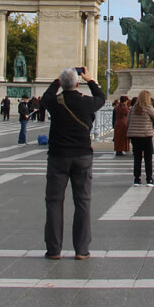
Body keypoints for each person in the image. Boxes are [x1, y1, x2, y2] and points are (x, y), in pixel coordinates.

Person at [42, 68, 106, 260]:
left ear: (62, 83)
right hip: (82, 156)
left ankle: (54, 250)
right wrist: (91, 79)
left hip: (58, 157)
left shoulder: (54, 102)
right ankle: (82, 249)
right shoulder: (86, 102)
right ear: (79, 84)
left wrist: (57, 82)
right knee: (83, 202)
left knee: (54, 202)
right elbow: (101, 97)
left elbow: (46, 96)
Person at [127, 90, 154, 186]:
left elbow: (128, 121)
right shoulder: (148, 107)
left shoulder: (133, 108)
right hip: (145, 135)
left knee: (137, 158)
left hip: (134, 136)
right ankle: (149, 179)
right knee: (148, 158)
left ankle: (137, 179)